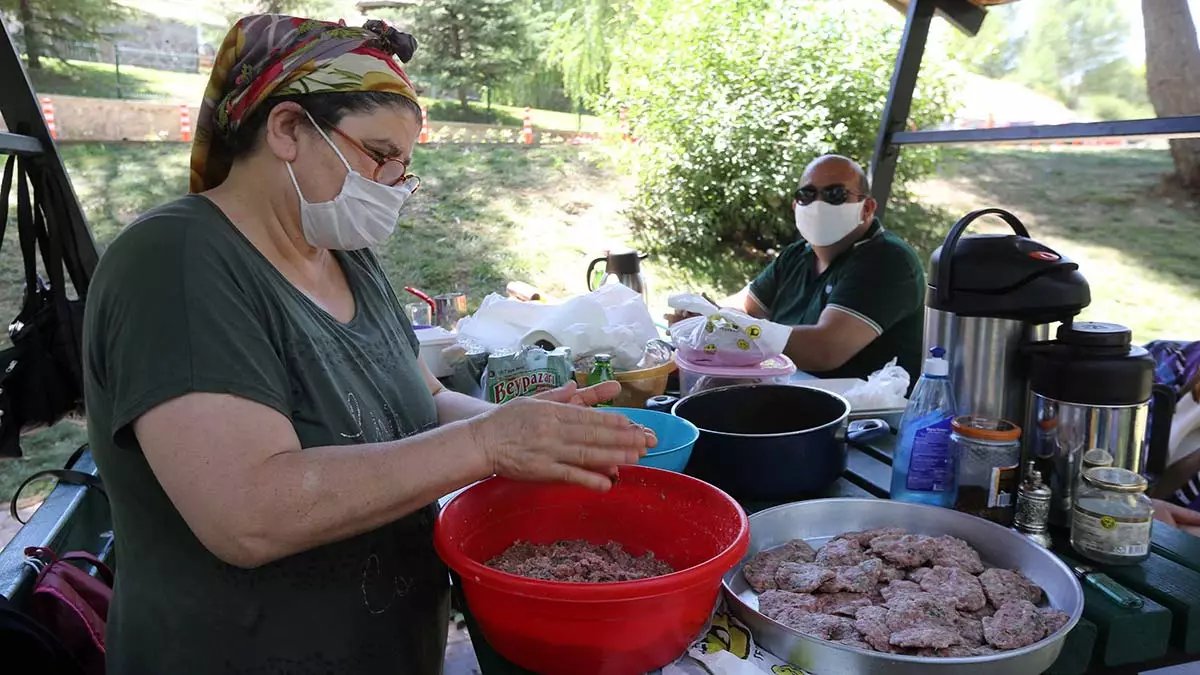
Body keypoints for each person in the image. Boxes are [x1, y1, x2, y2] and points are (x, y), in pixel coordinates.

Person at [81, 16, 654, 675]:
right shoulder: (177, 262)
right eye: (380, 155)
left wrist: (540, 431)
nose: (391, 186)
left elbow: (428, 401)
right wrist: (488, 444)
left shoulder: (346, 258)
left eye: (403, 168)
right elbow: (247, 512)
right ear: (289, 129)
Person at [677, 155, 926, 383]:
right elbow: (744, 307)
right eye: (807, 194)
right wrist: (706, 318)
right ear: (796, 205)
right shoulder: (796, 255)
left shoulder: (886, 260)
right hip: (787, 392)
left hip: (867, 417)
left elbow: (825, 349)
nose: (818, 204)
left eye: (836, 194)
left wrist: (728, 329)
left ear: (867, 207)